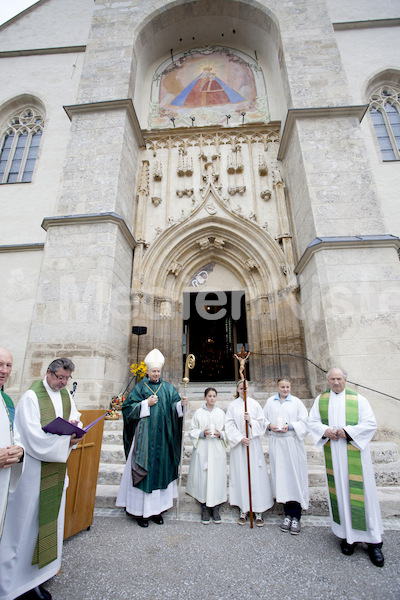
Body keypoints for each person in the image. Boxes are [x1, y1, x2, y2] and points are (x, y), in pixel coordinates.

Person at [0, 357, 81, 600]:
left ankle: (38, 577)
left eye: (66, 379)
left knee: (46, 525)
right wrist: (65, 441)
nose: (63, 382)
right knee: (24, 529)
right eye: (59, 377)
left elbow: (75, 416)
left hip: (54, 473)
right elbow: (32, 438)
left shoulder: (66, 395)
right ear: (48, 373)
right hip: (33, 474)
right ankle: (12, 584)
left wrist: (77, 429)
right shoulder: (32, 397)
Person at [308, 368, 384, 567]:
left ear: (345, 380)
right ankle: (348, 537)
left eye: (339, 379)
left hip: (355, 456)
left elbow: (370, 424)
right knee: (340, 493)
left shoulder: (359, 400)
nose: (335, 382)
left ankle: (374, 542)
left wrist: (348, 432)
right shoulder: (321, 400)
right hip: (334, 455)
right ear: (327, 380)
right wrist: (325, 430)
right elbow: (312, 422)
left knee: (363, 496)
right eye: (332, 379)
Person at [116, 348, 188, 527]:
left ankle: (158, 511)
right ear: (147, 371)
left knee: (161, 470)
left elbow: (174, 408)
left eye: (158, 371)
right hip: (144, 440)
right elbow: (127, 408)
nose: (156, 374)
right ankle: (141, 513)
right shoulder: (140, 388)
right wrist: (144, 404)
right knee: (144, 470)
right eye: (153, 371)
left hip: (163, 439)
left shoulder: (168, 388)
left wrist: (181, 405)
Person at [263, 377, 309, 535]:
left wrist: (290, 426)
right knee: (282, 479)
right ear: (277, 387)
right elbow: (263, 420)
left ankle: (297, 516)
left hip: (292, 443)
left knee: (294, 478)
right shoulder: (270, 402)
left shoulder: (296, 402)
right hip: (277, 444)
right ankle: (287, 514)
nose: (285, 389)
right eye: (282, 387)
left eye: (287, 387)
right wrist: (269, 426)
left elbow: (304, 422)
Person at [225, 380, 273, 526]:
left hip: (253, 444)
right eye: (241, 388)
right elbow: (229, 424)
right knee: (242, 475)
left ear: (249, 389)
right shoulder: (233, 405)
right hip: (240, 445)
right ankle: (243, 508)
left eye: (245, 388)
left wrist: (251, 421)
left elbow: (262, 422)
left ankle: (258, 510)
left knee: (256, 476)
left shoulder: (254, 404)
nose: (243, 391)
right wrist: (240, 438)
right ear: (237, 389)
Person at [186, 387, 228, 524]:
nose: (212, 398)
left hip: (216, 449)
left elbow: (227, 431)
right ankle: (204, 507)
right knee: (203, 479)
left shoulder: (221, 413)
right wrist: (201, 433)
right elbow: (192, 430)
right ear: (205, 397)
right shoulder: (198, 413)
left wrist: (220, 434)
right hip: (203, 449)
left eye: (214, 396)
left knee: (216, 478)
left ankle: (216, 507)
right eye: (209, 396)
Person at [0, 348, 24, 540]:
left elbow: (13, 433)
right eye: (0, 364)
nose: (4, 370)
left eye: (8, 366)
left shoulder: (6, 399)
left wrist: (19, 451)